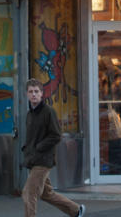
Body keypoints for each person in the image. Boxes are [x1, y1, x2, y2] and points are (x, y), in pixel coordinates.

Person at [20, 78, 85, 217]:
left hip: (43, 160)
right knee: (46, 193)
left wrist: (39, 147)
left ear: (42, 93)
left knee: (28, 193)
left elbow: (56, 135)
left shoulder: (48, 112)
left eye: (36, 91)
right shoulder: (29, 114)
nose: (33, 94)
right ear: (26, 94)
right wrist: (28, 149)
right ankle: (76, 210)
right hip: (33, 159)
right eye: (31, 92)